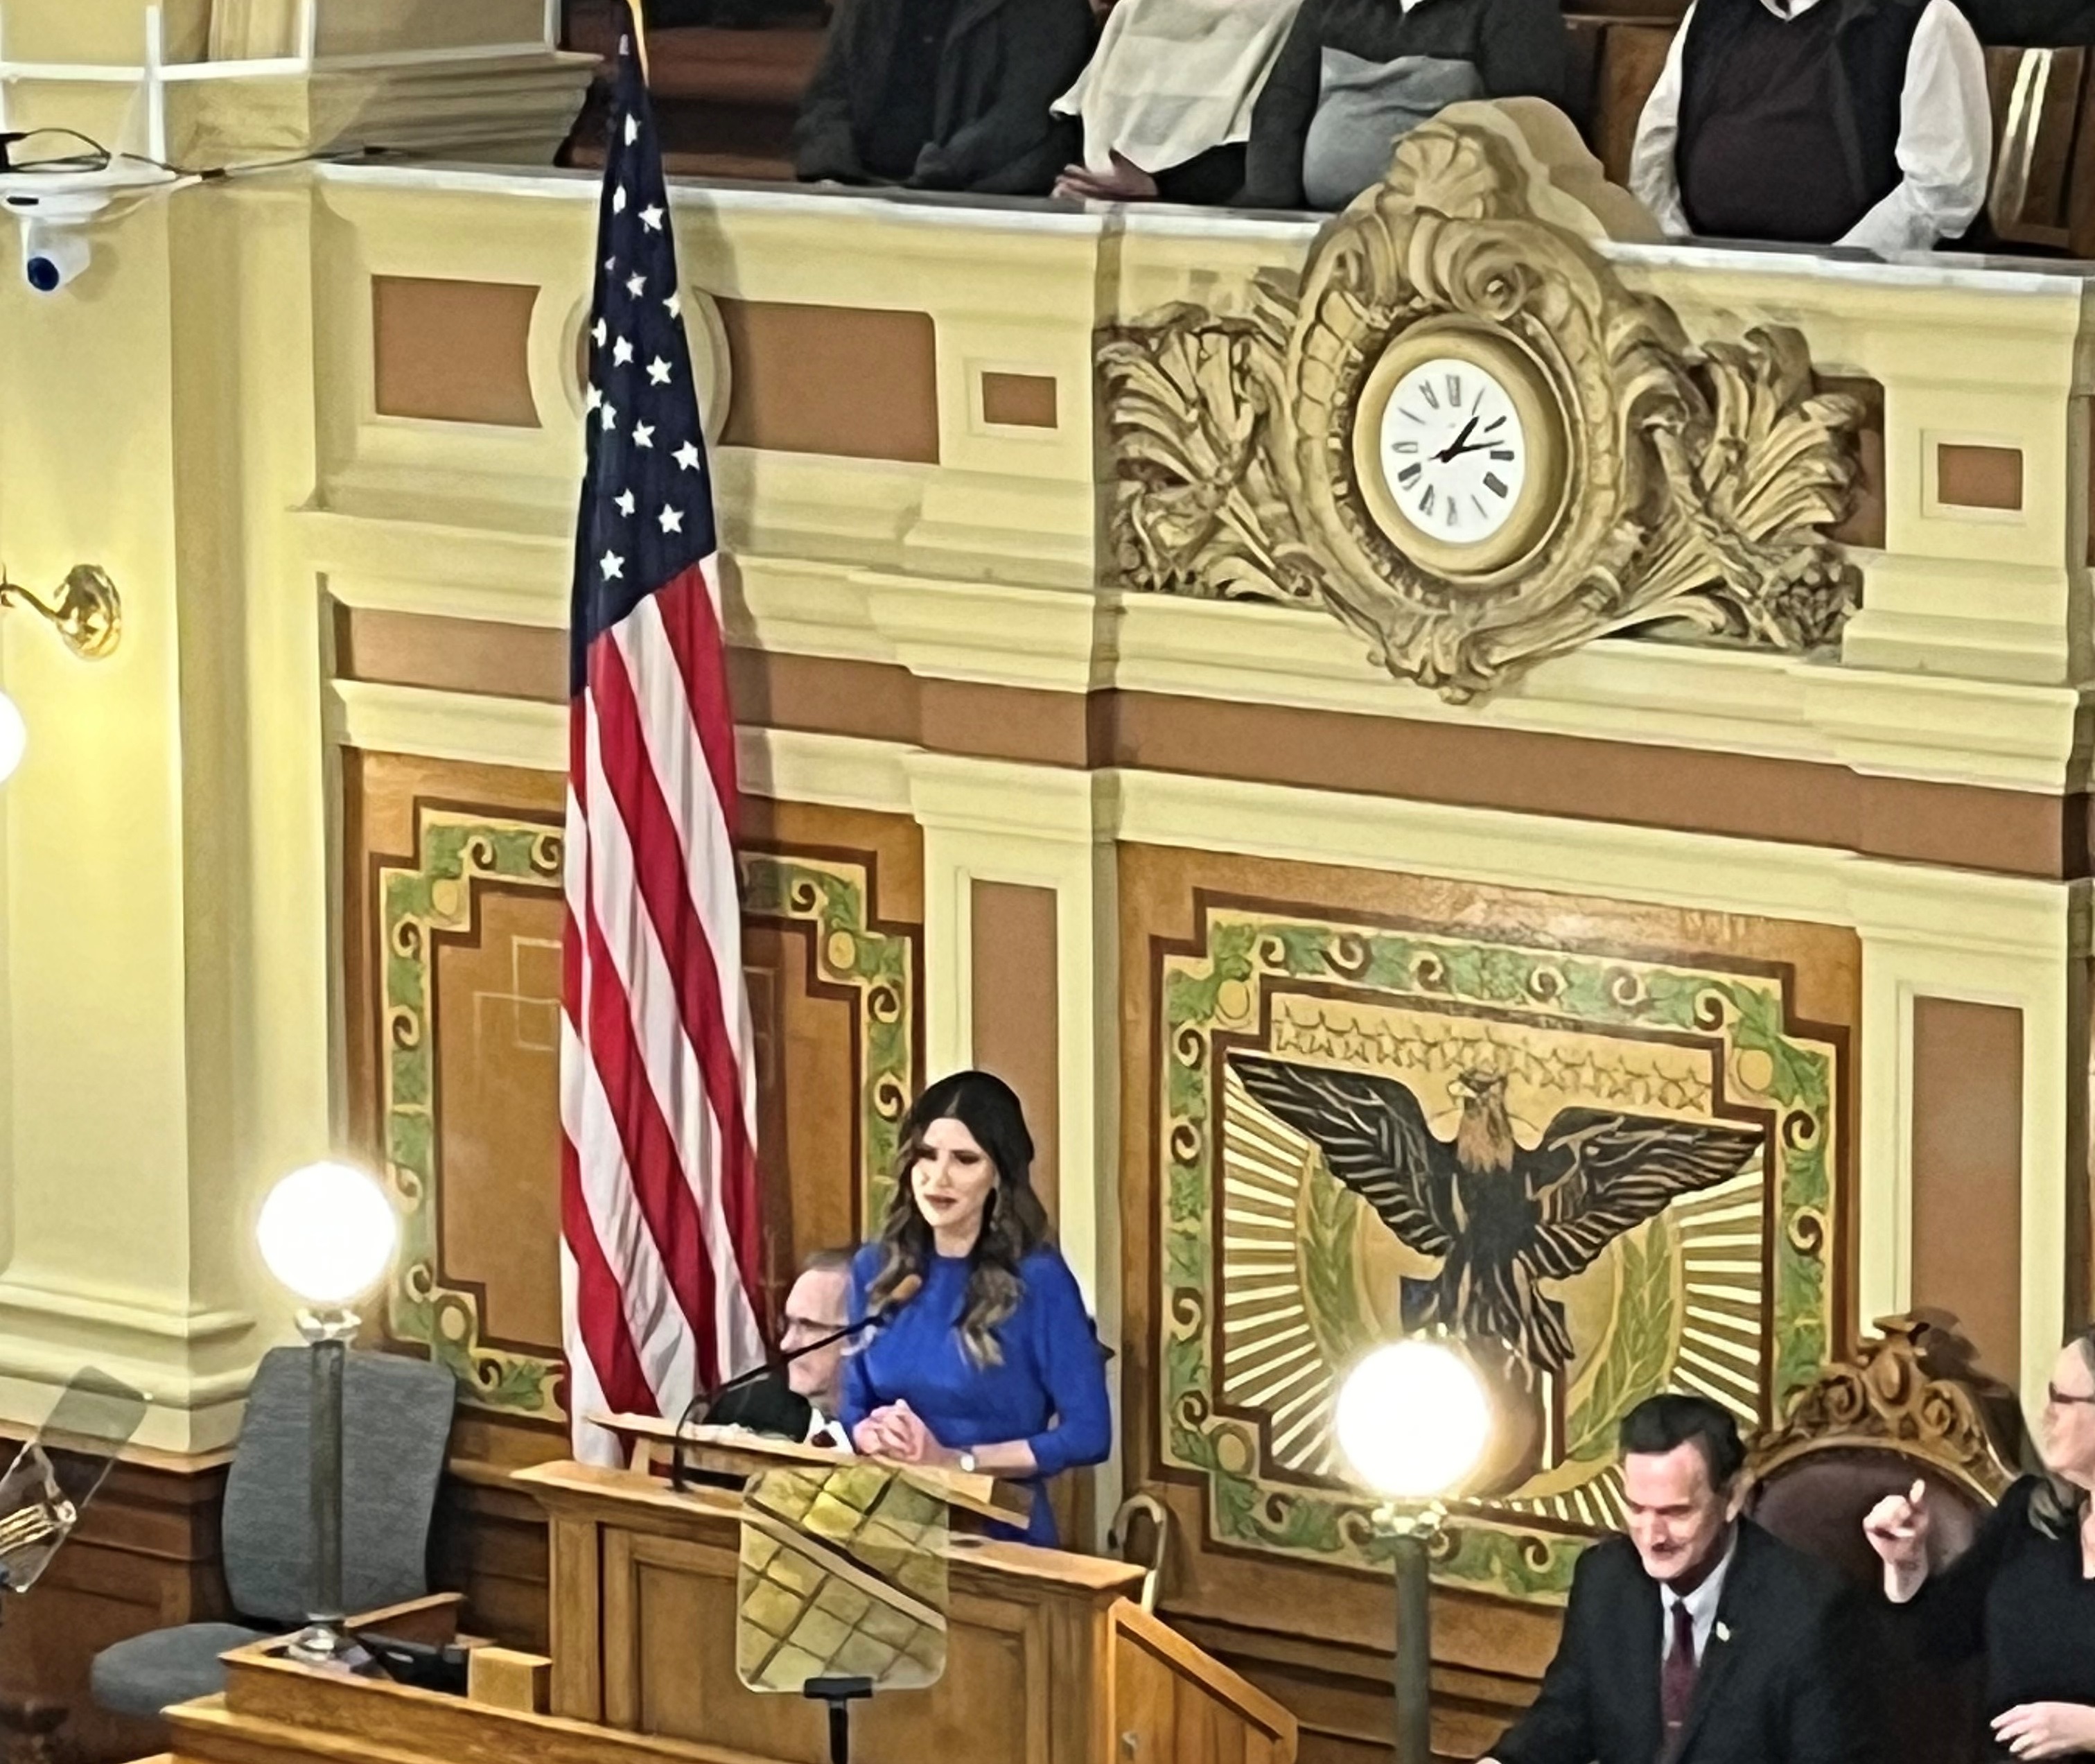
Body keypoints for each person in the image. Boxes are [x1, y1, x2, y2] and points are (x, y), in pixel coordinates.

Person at [1484, 1393, 1871, 1764]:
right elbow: (1566, 1715)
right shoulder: (1606, 1579)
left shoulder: (1812, 1611)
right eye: (1637, 1508)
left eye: (1676, 1513)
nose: (1653, 1537)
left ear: (1733, 1496)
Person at [842, 1070, 1111, 1547]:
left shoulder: (1040, 1279)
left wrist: (954, 1461)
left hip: (994, 1531)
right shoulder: (876, 1268)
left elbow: (1089, 1433)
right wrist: (869, 1435)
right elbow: (852, 1406)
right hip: (885, 1527)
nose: (938, 1177)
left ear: (998, 1176)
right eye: (926, 1154)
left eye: (965, 1159)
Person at [1864, 1327, 2095, 1761]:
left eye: (2061, 1399)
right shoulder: (2029, 1513)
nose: (2046, 1414)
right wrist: (1907, 1562)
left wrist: (2090, 1729)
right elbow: (1935, 1645)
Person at [1626, 0, 1990, 254]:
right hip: (1713, 285)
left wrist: (1823, 276)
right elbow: (1654, 158)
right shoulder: (1711, 12)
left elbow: (1941, 194)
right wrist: (1681, 256)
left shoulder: (1926, 17)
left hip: (1863, 298)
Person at [1233, 0, 1565, 211]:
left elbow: (1521, 134)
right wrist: (1274, 213)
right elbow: (1281, 107)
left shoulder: (1517, 9)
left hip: (1436, 233)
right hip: (1314, 220)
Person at [791, 0, 1091, 192]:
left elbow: (1018, 120)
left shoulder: (1050, 8)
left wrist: (918, 185)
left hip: (980, 199)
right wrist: (830, 173)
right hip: (862, 190)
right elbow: (829, 95)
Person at [1051, 0, 1304, 204]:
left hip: (1214, 214)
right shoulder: (1135, 8)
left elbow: (1271, 158)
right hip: (1093, 203)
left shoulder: (1291, 12)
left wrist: (1159, 189)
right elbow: (1085, 120)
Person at [707, 1249, 856, 1448]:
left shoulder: (899, 1432)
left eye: (808, 1326)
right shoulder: (742, 1410)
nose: (786, 1343)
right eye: (788, 1324)